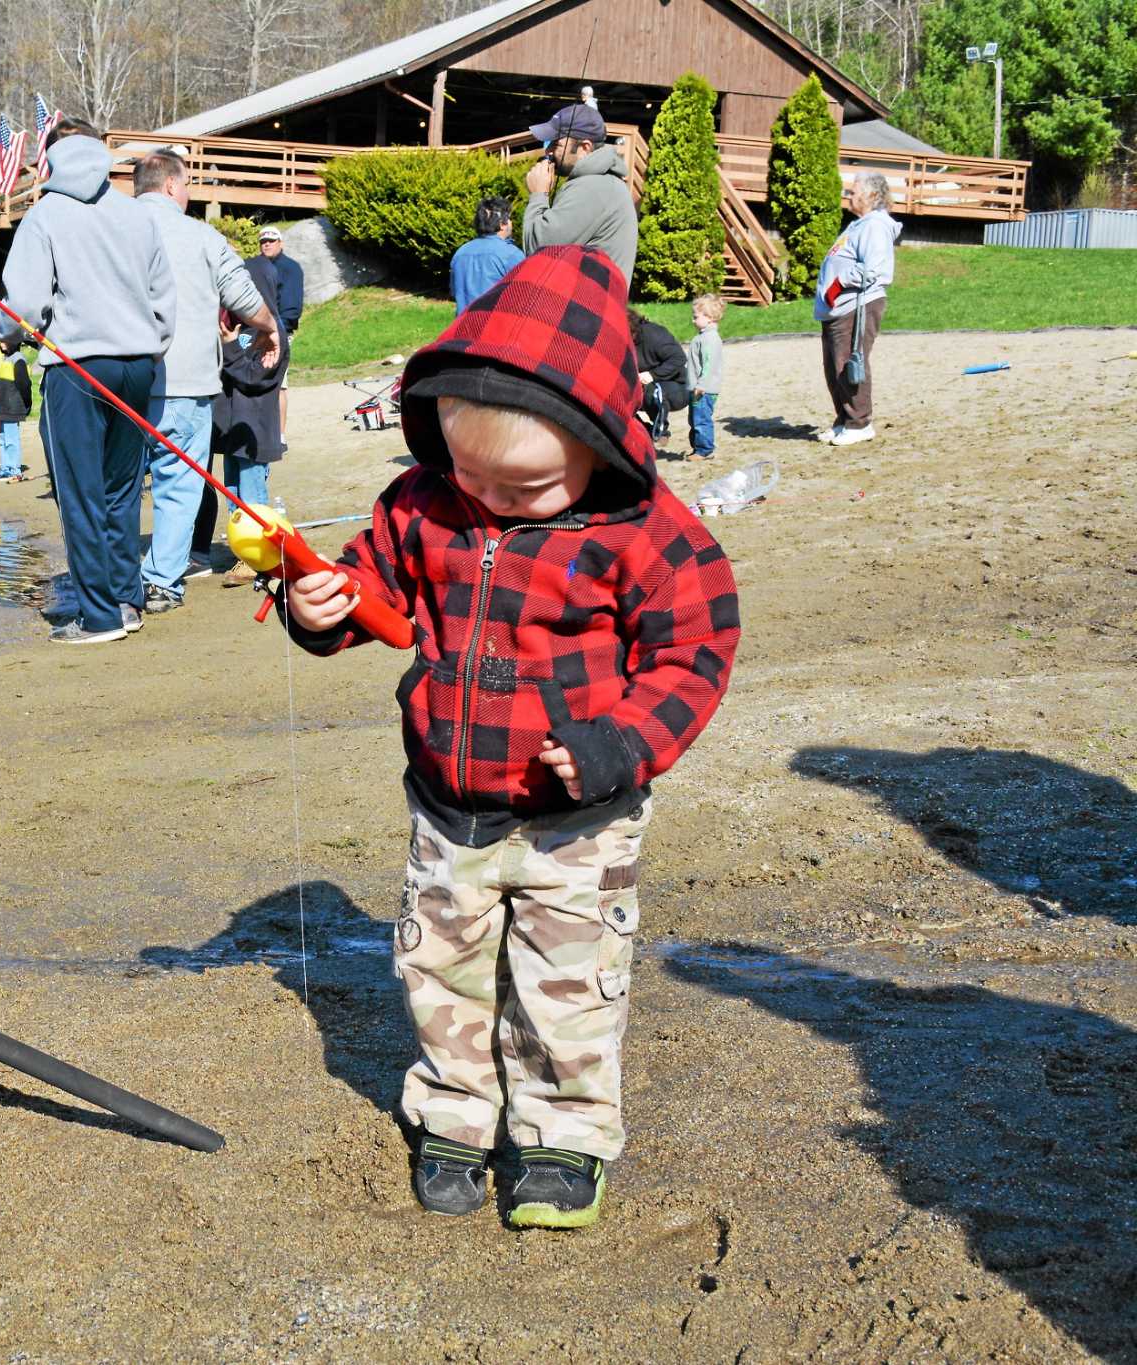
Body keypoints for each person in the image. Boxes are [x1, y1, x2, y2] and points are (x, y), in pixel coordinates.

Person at [281, 246, 740, 1228]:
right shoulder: (419, 505)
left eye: (525, 489)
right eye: (469, 475)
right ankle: (451, 1110)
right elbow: (379, 593)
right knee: (435, 964)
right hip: (448, 810)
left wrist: (624, 740)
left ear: (601, 446)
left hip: (580, 823)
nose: (489, 500)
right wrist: (323, 606)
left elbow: (694, 651)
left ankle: (561, 1134)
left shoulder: (642, 531)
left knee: (566, 985)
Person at [0, 118, 175, 645]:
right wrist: (147, 346)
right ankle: (126, 598)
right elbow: (163, 298)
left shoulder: (44, 215)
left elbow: (24, 306)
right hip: (138, 365)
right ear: (99, 154)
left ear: (51, 158)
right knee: (122, 490)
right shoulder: (136, 214)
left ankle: (98, 616)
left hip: (75, 369)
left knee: (79, 493)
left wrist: (4, 329)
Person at [133, 149, 277, 614]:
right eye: (188, 184)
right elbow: (243, 296)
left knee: (118, 484)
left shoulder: (107, 227)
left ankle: (112, 578)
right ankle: (160, 582)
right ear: (173, 185)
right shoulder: (201, 236)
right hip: (185, 380)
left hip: (118, 381)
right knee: (178, 485)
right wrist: (269, 328)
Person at [212, 259, 291, 587]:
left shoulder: (272, 338)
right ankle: (243, 550)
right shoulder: (240, 330)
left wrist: (230, 344)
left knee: (252, 495)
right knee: (233, 493)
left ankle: (258, 558)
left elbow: (253, 380)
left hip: (255, 432)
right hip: (233, 430)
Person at [815, 170, 899, 448]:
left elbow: (876, 270)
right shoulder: (858, 225)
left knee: (850, 363)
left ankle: (859, 422)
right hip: (838, 309)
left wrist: (837, 285)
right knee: (833, 367)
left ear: (872, 196)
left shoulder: (876, 225)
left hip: (857, 305)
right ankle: (843, 421)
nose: (848, 196)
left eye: (853, 192)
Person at [522, 103, 638, 285]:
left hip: (588, 311)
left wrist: (538, 195)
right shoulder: (601, 182)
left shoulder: (593, 188)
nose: (548, 151)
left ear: (584, 147)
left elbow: (539, 251)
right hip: (591, 308)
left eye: (556, 144)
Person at [248, 226, 303, 437]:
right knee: (255, 382)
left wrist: (279, 331)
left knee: (279, 385)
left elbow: (292, 307)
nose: (267, 244)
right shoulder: (253, 266)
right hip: (253, 332)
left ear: (280, 243)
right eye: (263, 241)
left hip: (279, 332)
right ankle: (260, 431)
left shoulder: (290, 268)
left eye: (271, 240)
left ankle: (278, 435)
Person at [450, 196, 524, 313]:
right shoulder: (512, 254)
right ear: (502, 224)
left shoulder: (460, 253)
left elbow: (455, 292)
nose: (511, 222)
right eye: (509, 218)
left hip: (463, 327)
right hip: (495, 327)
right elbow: (524, 296)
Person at [629, 310, 690, 442]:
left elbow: (679, 359)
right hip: (644, 387)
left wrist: (652, 375)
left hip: (677, 386)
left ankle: (661, 431)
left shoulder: (655, 334)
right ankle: (645, 430)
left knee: (653, 391)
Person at [686, 296, 724, 459]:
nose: (693, 320)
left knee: (701, 419)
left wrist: (701, 385)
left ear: (709, 318)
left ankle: (705, 450)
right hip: (696, 387)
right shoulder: (702, 337)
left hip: (703, 390)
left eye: (696, 317)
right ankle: (697, 448)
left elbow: (709, 365)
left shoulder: (710, 339)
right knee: (694, 419)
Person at [0, 333, 32, 482]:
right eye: (0, 340)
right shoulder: (2, 358)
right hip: (1, 405)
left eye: (5, 340)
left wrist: (27, 403)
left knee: (11, 439)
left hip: (13, 406)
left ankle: (15, 470)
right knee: (2, 439)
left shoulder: (18, 359)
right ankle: (5, 468)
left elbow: (25, 385)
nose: (1, 343)